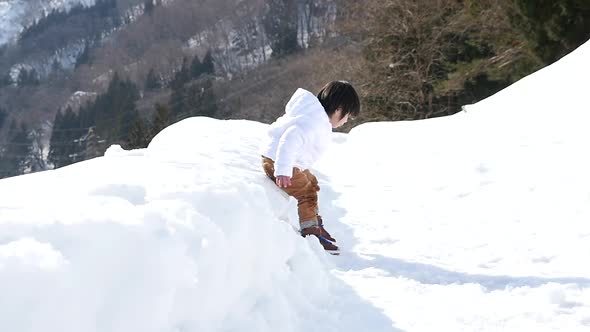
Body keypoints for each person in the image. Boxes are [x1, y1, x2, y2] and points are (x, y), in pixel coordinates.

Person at [260, 81, 360, 252]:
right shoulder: (313, 121)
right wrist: (283, 169)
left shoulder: (314, 116)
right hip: (279, 162)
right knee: (307, 193)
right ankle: (311, 232)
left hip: (281, 160)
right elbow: (289, 138)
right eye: (347, 116)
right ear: (338, 109)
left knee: (311, 182)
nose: (345, 121)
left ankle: (315, 222)